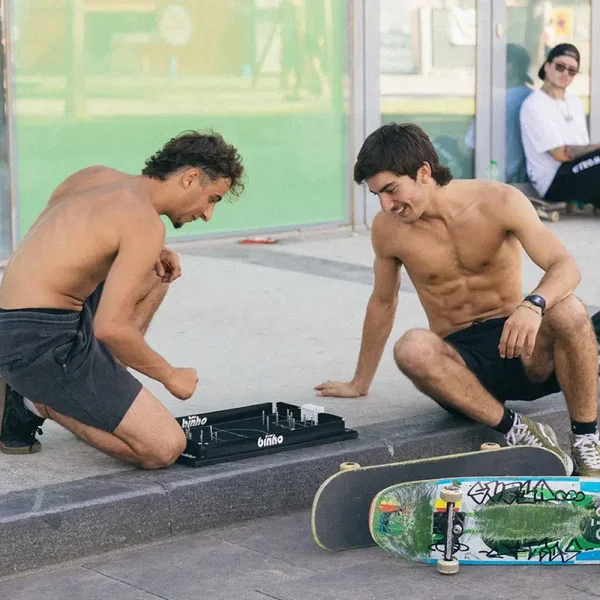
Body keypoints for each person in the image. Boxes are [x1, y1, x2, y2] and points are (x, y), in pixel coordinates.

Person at [315, 122, 600, 476]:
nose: (386, 205)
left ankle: (586, 441)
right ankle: (520, 431)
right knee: (412, 348)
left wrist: (533, 305)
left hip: (520, 348)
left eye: (391, 190)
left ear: (423, 172)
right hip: (462, 365)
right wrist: (360, 381)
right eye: (378, 195)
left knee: (570, 308)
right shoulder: (388, 230)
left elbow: (565, 266)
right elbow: (383, 302)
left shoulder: (499, 201)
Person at [0, 130, 244, 468]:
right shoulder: (144, 224)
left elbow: (67, 237)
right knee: (164, 447)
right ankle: (39, 400)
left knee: (154, 274)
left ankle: (93, 399)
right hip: (40, 340)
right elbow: (111, 328)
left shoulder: (97, 178)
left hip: (14, 318)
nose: (207, 214)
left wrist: (150, 251)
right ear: (190, 178)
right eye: (212, 198)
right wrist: (170, 375)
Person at [519, 43, 600, 206]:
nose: (565, 73)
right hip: (554, 179)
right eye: (560, 67)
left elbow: (582, 147)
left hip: (579, 169)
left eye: (572, 71)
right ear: (547, 66)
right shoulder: (534, 105)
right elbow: (560, 154)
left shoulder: (575, 101)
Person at [465, 43, 533, 183]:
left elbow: (470, 147)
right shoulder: (533, 98)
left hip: (496, 177)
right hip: (524, 178)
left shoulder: (495, 103)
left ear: (510, 66)